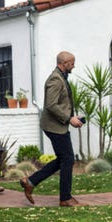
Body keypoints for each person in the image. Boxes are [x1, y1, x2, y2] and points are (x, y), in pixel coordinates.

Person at [19, 51, 84, 206]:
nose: (74, 66)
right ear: (64, 63)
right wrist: (69, 119)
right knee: (67, 159)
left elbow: (60, 103)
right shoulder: (55, 78)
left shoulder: (61, 76)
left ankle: (30, 181)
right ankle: (65, 198)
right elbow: (51, 104)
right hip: (54, 126)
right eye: (72, 63)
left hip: (57, 125)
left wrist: (73, 117)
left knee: (64, 159)